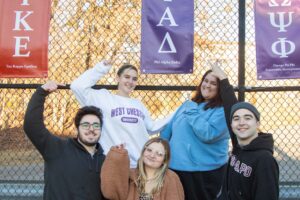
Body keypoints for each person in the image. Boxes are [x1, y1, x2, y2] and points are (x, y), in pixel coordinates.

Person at [71, 60, 172, 168]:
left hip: (139, 164)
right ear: (118, 78)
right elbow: (77, 86)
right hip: (114, 163)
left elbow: (152, 128)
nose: (130, 81)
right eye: (127, 77)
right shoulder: (103, 98)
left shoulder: (138, 104)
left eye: (134, 79)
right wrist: (101, 68)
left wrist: (176, 113)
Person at [23, 80, 106, 200]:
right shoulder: (57, 149)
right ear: (77, 128)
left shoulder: (105, 161)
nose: (91, 129)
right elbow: (32, 126)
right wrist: (41, 92)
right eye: (85, 125)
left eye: (96, 125)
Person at [212, 63, 279, 200]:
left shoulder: (264, 160)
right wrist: (223, 79)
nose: (241, 122)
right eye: (236, 119)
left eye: (247, 118)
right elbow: (230, 106)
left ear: (257, 123)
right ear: (231, 125)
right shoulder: (239, 145)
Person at [160, 70, 230, 200]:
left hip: (202, 172)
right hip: (174, 168)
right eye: (206, 81)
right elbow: (167, 131)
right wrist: (162, 154)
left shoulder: (223, 110)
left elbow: (208, 134)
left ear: (220, 88)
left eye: (213, 83)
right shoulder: (188, 105)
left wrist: (192, 111)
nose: (208, 85)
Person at [101, 137, 184, 200]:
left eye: (159, 154)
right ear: (143, 151)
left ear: (164, 160)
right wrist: (117, 155)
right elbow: (110, 193)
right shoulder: (130, 175)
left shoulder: (171, 178)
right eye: (149, 150)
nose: (152, 156)